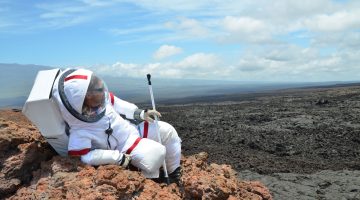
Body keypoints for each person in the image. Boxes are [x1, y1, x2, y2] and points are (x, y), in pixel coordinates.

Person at [51, 68, 182, 184]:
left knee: (166, 130)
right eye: (95, 92)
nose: (102, 94)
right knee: (155, 153)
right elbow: (84, 157)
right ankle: (149, 182)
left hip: (133, 131)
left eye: (99, 89)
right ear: (82, 99)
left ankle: (173, 173)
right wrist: (116, 158)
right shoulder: (80, 130)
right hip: (124, 147)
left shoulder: (102, 99)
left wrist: (140, 113)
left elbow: (120, 105)